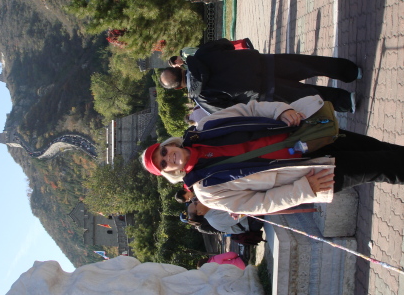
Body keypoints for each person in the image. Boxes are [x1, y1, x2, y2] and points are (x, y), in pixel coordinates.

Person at [141, 96, 404, 215]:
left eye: (164, 151)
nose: (169, 158)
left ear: (168, 144)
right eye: (163, 164)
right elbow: (259, 204)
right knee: (384, 167)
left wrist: (280, 111)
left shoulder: (205, 129)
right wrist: (304, 189)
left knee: (380, 149)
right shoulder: (207, 191)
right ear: (169, 173)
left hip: (309, 136)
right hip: (312, 171)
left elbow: (249, 108)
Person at [160, 38, 361, 114]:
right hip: (263, 62)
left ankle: (347, 102)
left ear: (179, 88)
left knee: (309, 95)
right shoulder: (200, 54)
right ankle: (352, 71)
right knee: (309, 64)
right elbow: (227, 44)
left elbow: (232, 110)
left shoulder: (202, 98)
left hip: (264, 91)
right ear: (179, 67)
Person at [186, 197, 263, 234]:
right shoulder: (214, 219)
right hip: (251, 222)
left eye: (195, 201)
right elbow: (239, 215)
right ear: (199, 213)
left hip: (247, 213)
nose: (198, 201)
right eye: (196, 203)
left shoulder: (211, 208)